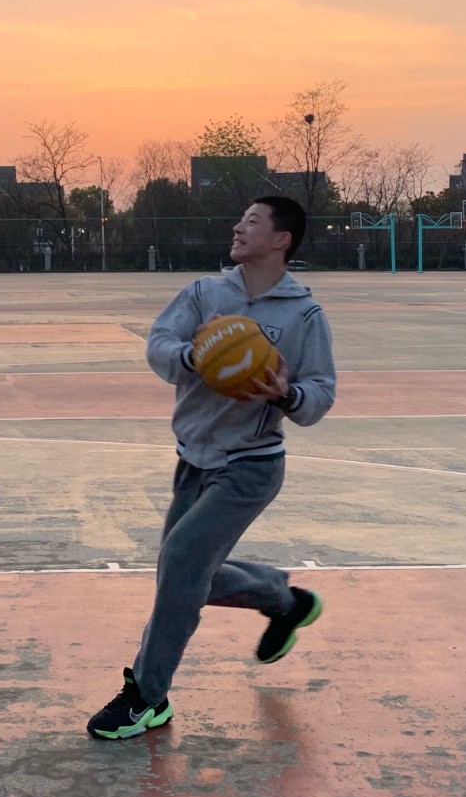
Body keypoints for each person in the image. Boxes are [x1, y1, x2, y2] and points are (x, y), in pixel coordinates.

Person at [86, 195, 336, 740]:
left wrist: (286, 394)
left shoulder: (303, 315)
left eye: (252, 221)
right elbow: (159, 344)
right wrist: (193, 356)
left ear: (281, 239)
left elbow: (321, 393)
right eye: (240, 219)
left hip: (251, 466)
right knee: (183, 572)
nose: (238, 227)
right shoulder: (204, 294)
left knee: (180, 562)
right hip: (193, 459)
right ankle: (283, 601)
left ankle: (147, 696)